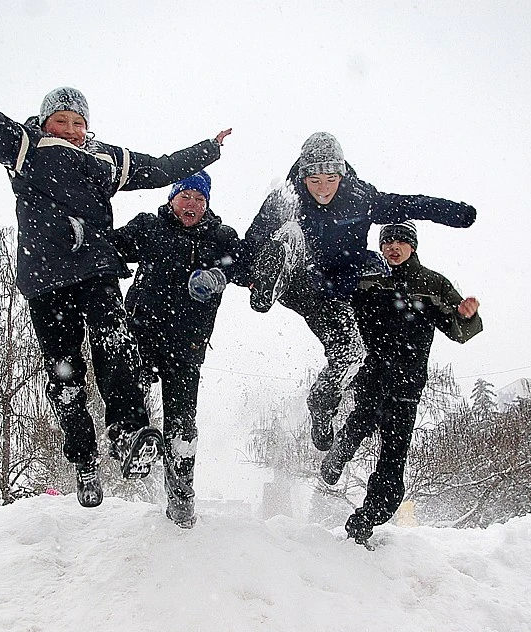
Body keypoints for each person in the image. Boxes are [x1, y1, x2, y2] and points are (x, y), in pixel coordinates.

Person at [0, 14, 232, 509]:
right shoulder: (28, 148)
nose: (73, 129)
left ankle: (128, 434)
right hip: (47, 279)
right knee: (65, 373)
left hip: (96, 273)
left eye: (79, 122)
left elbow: (161, 169)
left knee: (115, 349)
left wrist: (206, 150)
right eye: (63, 120)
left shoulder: (106, 160)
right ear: (46, 121)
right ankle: (83, 462)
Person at [240, 132, 477, 455]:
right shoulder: (284, 198)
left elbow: (408, 204)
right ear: (303, 176)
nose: (323, 188)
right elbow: (250, 244)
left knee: (351, 353)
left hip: (332, 294)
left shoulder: (359, 196)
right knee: (291, 232)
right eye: (314, 179)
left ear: (341, 175)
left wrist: (454, 213)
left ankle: (322, 403)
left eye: (330, 179)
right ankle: (269, 283)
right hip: (296, 282)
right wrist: (245, 277)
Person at [320, 221, 482, 547]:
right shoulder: (368, 278)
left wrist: (465, 317)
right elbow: (332, 300)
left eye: (400, 242)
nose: (393, 247)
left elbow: (458, 331)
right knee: (362, 419)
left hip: (407, 384)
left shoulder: (432, 284)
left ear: (413, 246)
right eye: (387, 242)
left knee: (393, 459)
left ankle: (368, 518)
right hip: (371, 375)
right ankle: (338, 453)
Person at [109, 171, 241, 528]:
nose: (193, 206)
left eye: (200, 200)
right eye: (187, 197)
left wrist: (218, 274)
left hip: (187, 345)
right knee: (124, 382)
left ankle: (181, 498)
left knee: (182, 425)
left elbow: (241, 262)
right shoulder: (150, 227)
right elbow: (112, 245)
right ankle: (129, 440)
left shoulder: (219, 236)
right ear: (173, 198)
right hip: (142, 333)